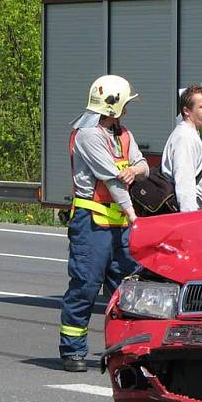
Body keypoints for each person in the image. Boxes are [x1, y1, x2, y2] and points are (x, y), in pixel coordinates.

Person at [60, 74, 148, 372]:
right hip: (92, 222)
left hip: (118, 222)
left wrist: (134, 170)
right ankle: (73, 351)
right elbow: (112, 180)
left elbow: (144, 166)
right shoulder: (88, 135)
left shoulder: (123, 133)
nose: (128, 109)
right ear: (113, 105)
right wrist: (135, 217)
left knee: (124, 289)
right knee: (85, 285)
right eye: (125, 103)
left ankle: (123, 351)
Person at [162, 85, 202, 212]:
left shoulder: (190, 133)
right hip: (192, 211)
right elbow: (184, 184)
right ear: (186, 111)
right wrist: (189, 219)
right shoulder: (185, 138)